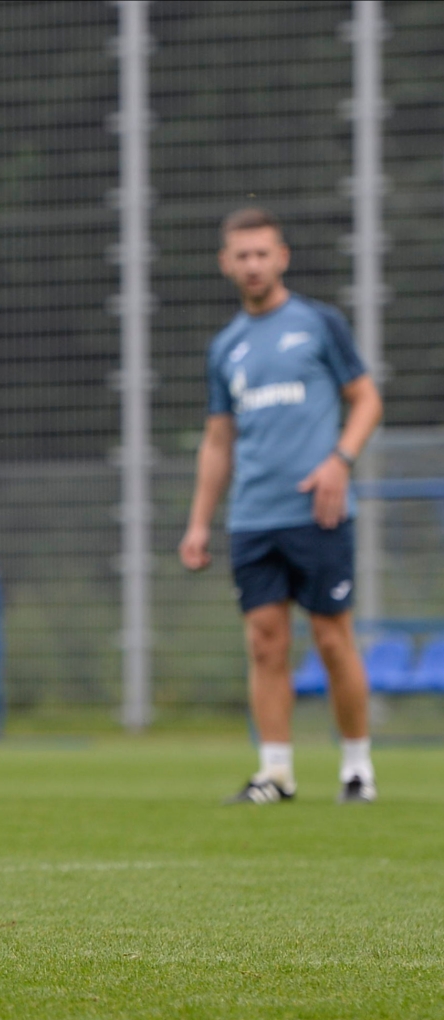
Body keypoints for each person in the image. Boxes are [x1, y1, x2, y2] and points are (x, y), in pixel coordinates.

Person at [179, 207, 383, 805]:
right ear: (226, 263)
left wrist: (338, 462)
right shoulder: (226, 347)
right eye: (241, 255)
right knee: (265, 642)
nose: (252, 265)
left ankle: (356, 768)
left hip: (317, 512)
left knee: (331, 639)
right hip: (252, 517)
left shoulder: (319, 324)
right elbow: (219, 440)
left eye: (262, 253)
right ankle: (276, 773)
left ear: (282, 257)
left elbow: (367, 399)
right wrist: (198, 521)